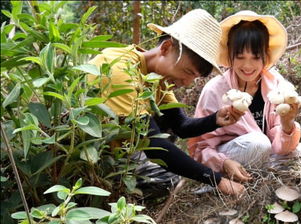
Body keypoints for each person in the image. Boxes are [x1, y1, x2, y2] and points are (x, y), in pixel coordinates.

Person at [87, 9, 245, 196]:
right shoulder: (121, 69)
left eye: (193, 78)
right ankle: (108, 189)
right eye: (187, 72)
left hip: (121, 150)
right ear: (166, 48)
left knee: (165, 126)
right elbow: (155, 145)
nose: (186, 83)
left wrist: (215, 119)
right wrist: (217, 180)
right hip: (91, 153)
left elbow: (180, 126)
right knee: (166, 179)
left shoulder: (158, 79)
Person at [188, 11, 301, 183]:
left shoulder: (277, 85)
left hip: (267, 157)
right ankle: (232, 180)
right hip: (232, 159)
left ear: (266, 56)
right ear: (230, 56)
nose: (247, 66)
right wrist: (224, 163)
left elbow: (281, 148)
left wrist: (287, 125)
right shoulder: (215, 90)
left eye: (255, 58)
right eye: (240, 57)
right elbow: (199, 147)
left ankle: (264, 179)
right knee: (259, 144)